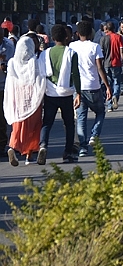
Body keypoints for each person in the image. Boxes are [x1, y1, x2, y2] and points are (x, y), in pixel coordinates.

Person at [39, 24, 81, 164]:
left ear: (52, 38)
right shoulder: (71, 53)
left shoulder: (46, 53)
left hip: (50, 93)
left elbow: (41, 73)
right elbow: (75, 75)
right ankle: (68, 152)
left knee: (47, 123)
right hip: (66, 94)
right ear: (66, 37)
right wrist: (78, 93)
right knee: (69, 124)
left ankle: (43, 145)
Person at [72, 21, 112, 157]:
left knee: (81, 117)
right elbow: (100, 68)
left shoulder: (72, 46)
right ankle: (94, 136)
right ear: (91, 33)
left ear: (77, 33)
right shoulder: (95, 47)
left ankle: (83, 147)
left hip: (78, 88)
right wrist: (107, 86)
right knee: (100, 112)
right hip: (93, 86)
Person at [4, 37, 45, 166]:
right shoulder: (35, 62)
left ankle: (12, 147)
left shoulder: (12, 63)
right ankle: (29, 155)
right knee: (33, 127)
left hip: (18, 101)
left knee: (17, 127)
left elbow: (9, 84)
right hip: (33, 101)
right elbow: (40, 80)